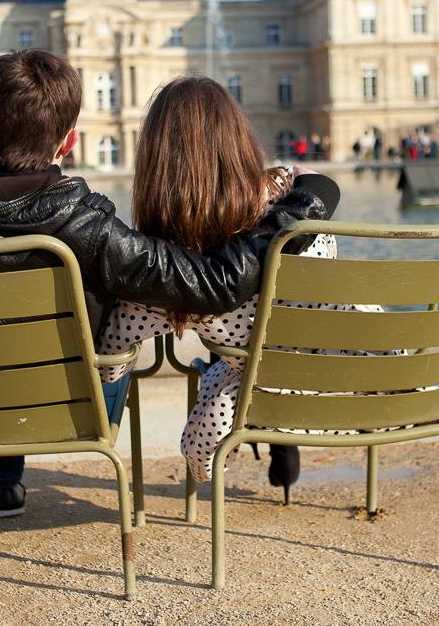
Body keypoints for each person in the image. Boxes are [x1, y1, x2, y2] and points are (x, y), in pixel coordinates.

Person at [0, 50, 327, 518]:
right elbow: (212, 285)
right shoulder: (84, 224)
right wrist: (301, 207)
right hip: (62, 405)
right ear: (69, 141)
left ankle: (2, 481)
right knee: (106, 360)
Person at [95, 77, 340, 499]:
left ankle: (257, 402)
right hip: (351, 379)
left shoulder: (165, 265)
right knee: (259, 322)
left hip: (250, 386)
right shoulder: (296, 205)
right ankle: (279, 424)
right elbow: (317, 181)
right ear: (239, 137)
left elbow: (110, 365)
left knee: (227, 342)